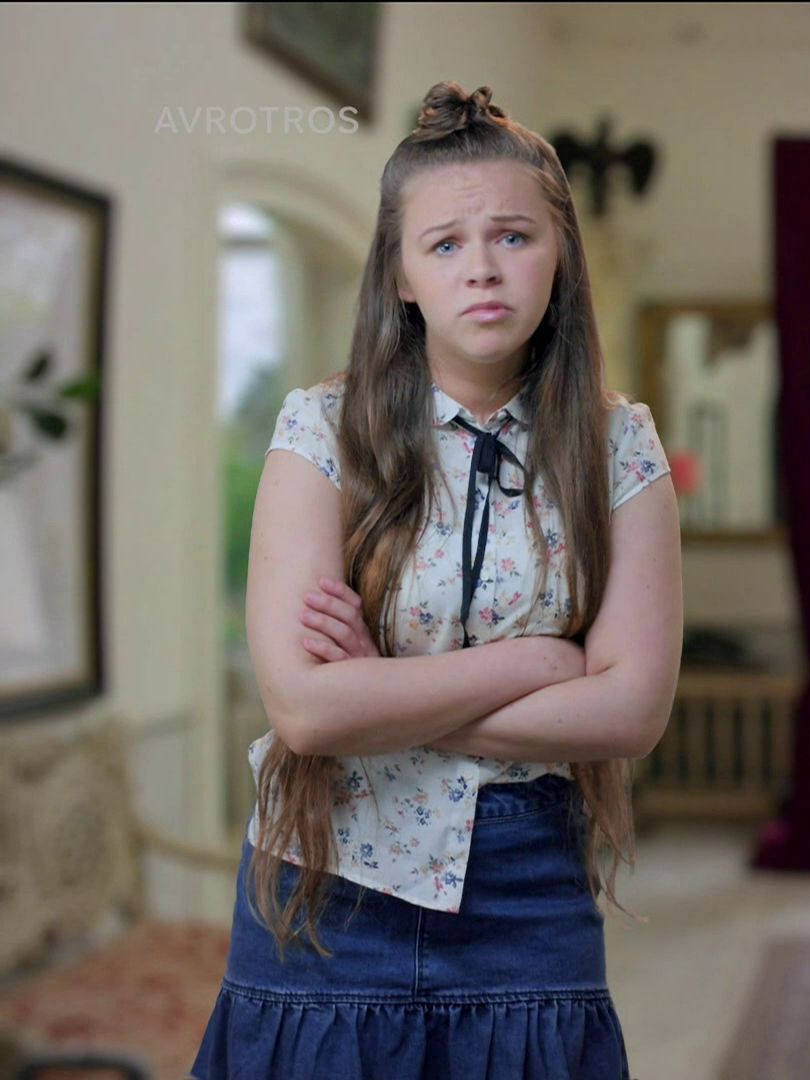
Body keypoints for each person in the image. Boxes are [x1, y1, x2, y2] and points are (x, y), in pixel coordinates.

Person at [189, 81, 682, 1080]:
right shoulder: (320, 429)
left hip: (528, 883)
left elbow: (631, 712)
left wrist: (383, 693)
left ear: (559, 254)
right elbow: (307, 712)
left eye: (514, 237)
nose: (483, 268)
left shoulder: (619, 443)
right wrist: (538, 662)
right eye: (446, 244)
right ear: (402, 275)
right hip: (324, 880)